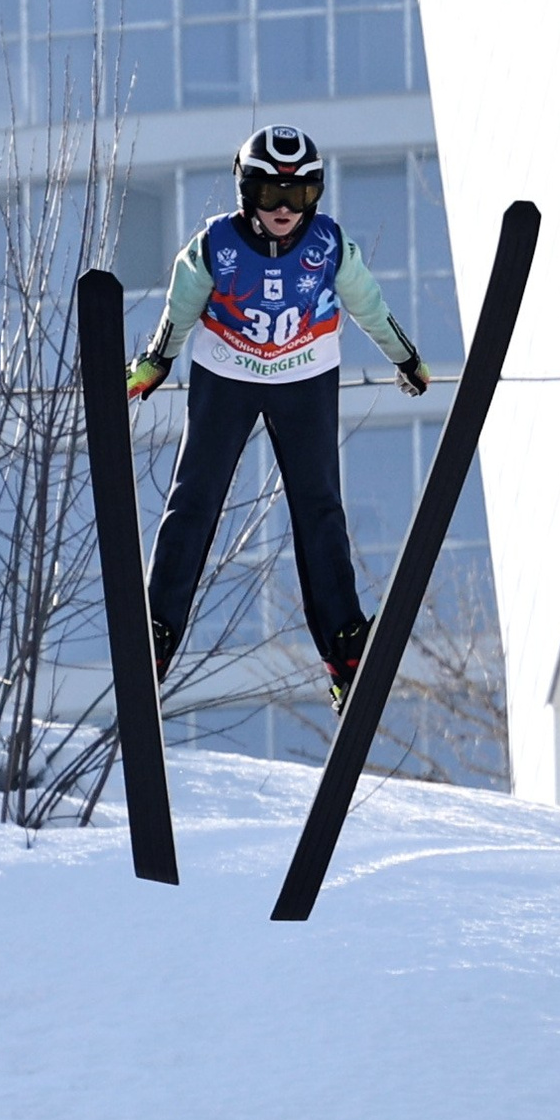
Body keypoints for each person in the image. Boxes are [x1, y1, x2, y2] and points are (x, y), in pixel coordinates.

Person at [127, 125, 433, 709]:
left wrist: (406, 358)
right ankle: (157, 630)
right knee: (194, 500)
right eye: (272, 195)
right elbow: (181, 307)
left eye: (303, 194)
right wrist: (154, 364)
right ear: (246, 192)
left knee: (319, 509)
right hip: (229, 371)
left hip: (304, 373)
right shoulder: (214, 245)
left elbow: (368, 302)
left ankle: (344, 645)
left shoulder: (329, 245)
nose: (287, 209)